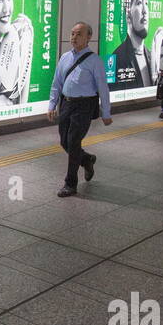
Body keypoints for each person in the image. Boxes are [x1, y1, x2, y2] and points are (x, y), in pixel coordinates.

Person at [48, 21, 114, 197]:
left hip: (84, 106)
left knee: (74, 141)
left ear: (88, 37)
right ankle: (87, 159)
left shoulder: (95, 61)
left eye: (79, 34)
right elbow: (57, 83)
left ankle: (70, 183)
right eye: (72, 33)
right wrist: (52, 104)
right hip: (66, 103)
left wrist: (106, 112)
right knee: (65, 142)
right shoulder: (65, 58)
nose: (74, 37)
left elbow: (103, 88)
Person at [108, 0, 153, 90]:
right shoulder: (115, 58)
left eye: (146, 3)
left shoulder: (151, 57)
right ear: (128, 13)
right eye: (139, 3)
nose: (145, 10)